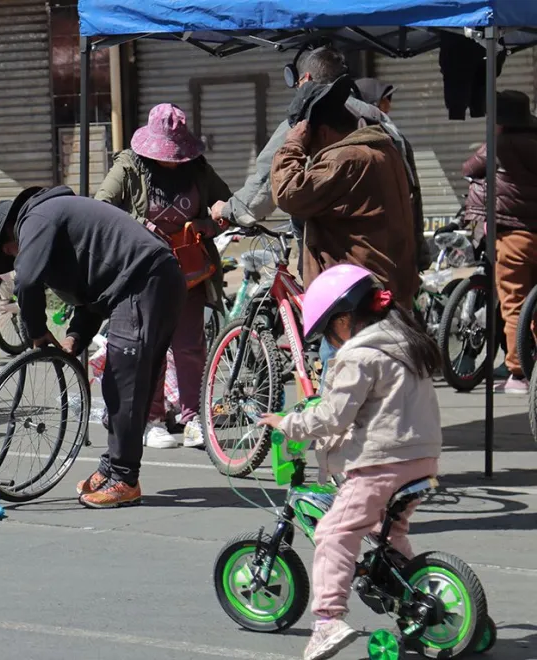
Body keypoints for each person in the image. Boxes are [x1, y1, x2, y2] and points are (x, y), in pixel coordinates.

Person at [257, 264, 442, 660]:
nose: (330, 340)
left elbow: (332, 416)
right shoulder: (408, 342)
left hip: (380, 462)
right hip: (423, 460)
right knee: (386, 534)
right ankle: (425, 601)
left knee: (334, 533)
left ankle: (327, 621)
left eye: (327, 330)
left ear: (344, 320)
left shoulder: (358, 355)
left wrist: (289, 424)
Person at [0, 186, 185, 508]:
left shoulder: (36, 218)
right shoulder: (54, 219)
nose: (15, 256)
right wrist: (75, 337)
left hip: (145, 281)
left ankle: (124, 479)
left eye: (11, 253)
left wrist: (36, 333)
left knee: (123, 381)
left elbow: (26, 282)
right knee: (128, 381)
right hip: (150, 281)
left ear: (10, 241)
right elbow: (92, 296)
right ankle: (113, 467)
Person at [209, 46, 428, 276]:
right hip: (397, 261)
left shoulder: (308, 120)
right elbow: (411, 187)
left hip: (340, 269)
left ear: (305, 79)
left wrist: (229, 210)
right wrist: (419, 253)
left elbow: (268, 189)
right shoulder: (381, 122)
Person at [96, 103, 230, 450]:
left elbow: (227, 206)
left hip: (189, 273)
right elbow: (102, 207)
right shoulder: (129, 165)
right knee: (150, 347)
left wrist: (205, 225)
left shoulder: (198, 169)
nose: (171, 160)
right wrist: (141, 226)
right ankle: (152, 420)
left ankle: (193, 419)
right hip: (145, 271)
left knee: (189, 348)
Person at [270, 77, 419, 383]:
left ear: (322, 132)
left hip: (353, 303)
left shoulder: (345, 159)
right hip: (387, 287)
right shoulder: (383, 150)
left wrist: (292, 144)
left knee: (343, 400)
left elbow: (288, 192)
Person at [462, 90, 537, 394]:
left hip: (513, 236)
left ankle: (519, 373)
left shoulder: (498, 145)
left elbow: (469, 168)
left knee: (515, 304)